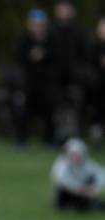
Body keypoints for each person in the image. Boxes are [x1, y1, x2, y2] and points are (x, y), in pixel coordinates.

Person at [50, 0, 88, 142]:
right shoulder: (51, 31)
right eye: (61, 9)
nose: (63, 12)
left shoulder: (79, 32)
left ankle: (73, 136)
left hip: (75, 77)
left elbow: (85, 56)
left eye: (66, 9)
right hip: (55, 78)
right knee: (57, 105)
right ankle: (58, 135)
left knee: (75, 104)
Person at [16, 9, 55, 146]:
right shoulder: (24, 40)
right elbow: (19, 61)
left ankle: (50, 140)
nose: (37, 27)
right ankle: (22, 140)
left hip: (46, 83)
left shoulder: (51, 40)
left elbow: (57, 61)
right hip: (29, 83)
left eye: (40, 24)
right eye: (34, 24)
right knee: (25, 111)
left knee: (49, 111)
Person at [52, 138, 105, 211]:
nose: (75, 158)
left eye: (78, 155)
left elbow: (101, 174)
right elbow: (63, 181)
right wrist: (83, 191)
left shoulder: (87, 164)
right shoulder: (62, 165)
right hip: (69, 192)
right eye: (73, 155)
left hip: (85, 190)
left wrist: (95, 188)